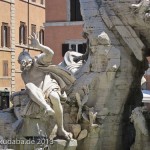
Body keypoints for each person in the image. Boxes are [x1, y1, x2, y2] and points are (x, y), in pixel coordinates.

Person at [17, 33, 75, 140]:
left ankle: (61, 129)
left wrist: (39, 46)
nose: (26, 64)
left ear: (30, 59)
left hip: (49, 85)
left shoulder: (37, 62)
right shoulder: (24, 74)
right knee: (29, 85)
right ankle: (47, 107)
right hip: (38, 91)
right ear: (21, 64)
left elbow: (50, 53)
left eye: (27, 61)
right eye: (23, 62)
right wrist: (18, 93)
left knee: (55, 98)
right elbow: (29, 89)